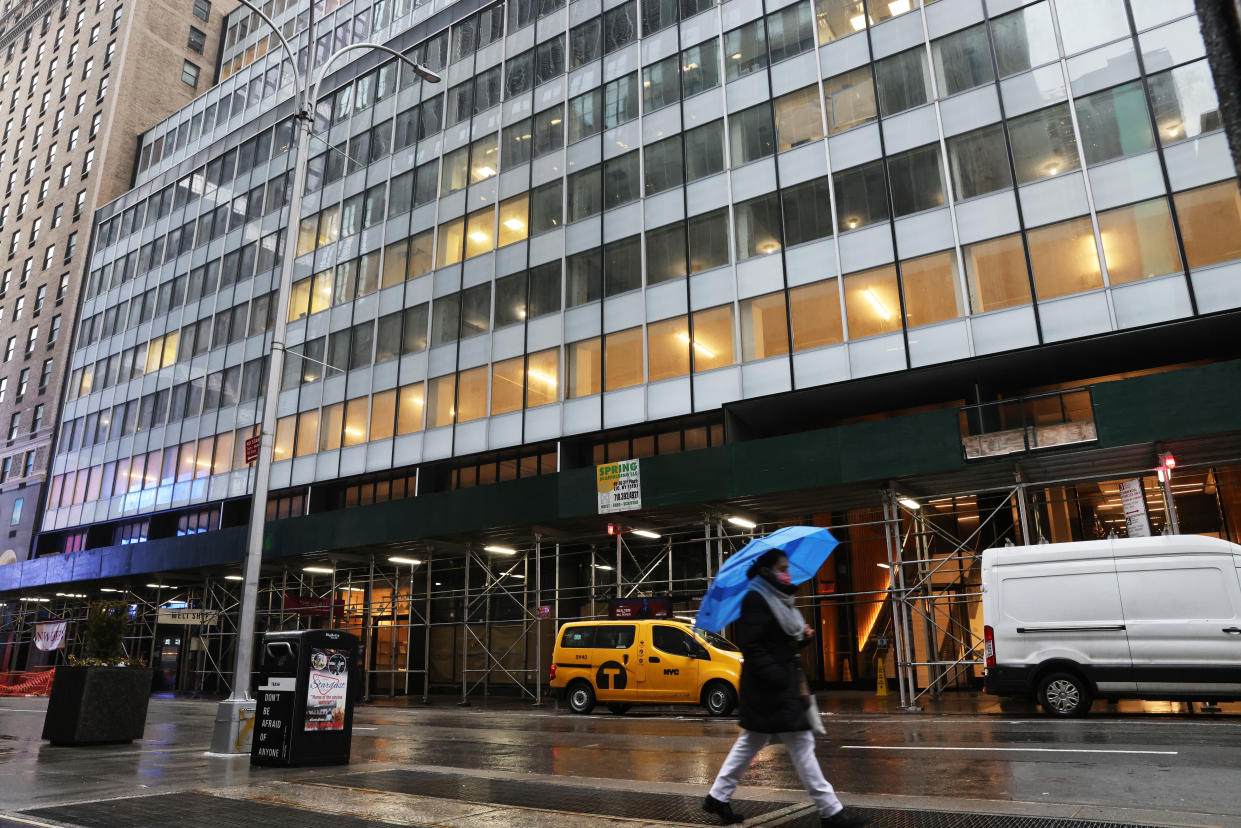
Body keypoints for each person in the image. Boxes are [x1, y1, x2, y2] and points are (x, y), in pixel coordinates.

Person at [703, 549, 869, 827]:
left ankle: (717, 797)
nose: (787, 573)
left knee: (752, 742)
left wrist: (802, 639)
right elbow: (752, 646)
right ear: (766, 571)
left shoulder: (779, 600)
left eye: (787, 567)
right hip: (771, 686)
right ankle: (831, 811)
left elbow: (778, 644)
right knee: (801, 744)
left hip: (773, 684)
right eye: (782, 567)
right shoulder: (756, 598)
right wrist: (779, 677)